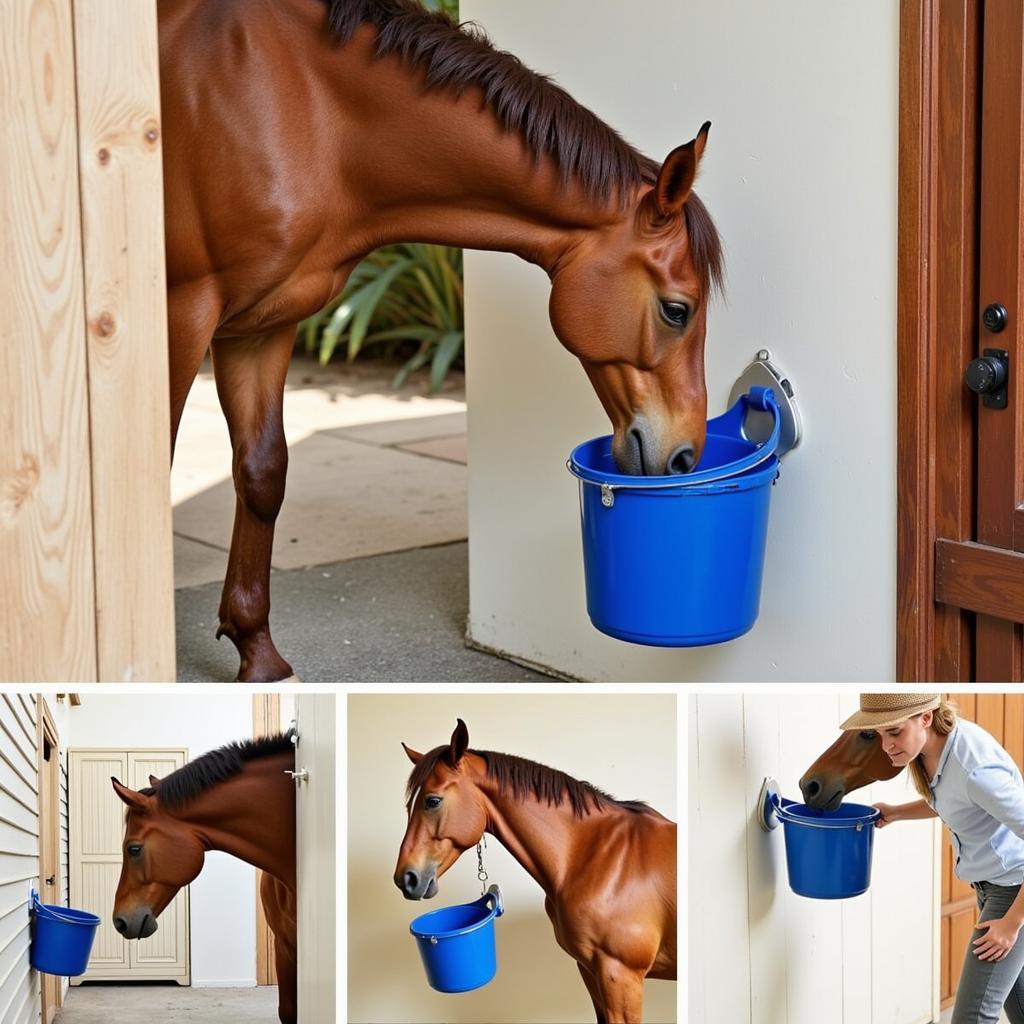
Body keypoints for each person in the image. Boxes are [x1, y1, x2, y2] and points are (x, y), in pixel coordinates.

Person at [841, 693, 1024, 1024]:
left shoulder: (975, 770)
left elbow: (970, 787)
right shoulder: (934, 751)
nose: (887, 746)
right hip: (991, 886)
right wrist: (896, 813)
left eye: (894, 732)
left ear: (925, 717)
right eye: (881, 735)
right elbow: (955, 800)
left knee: (971, 1016)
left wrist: (1011, 924)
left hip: (1014, 890)